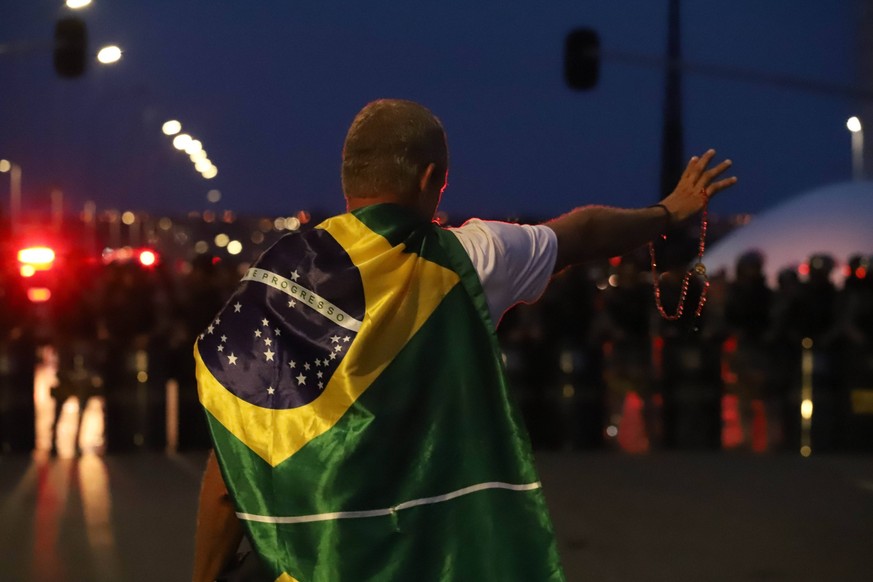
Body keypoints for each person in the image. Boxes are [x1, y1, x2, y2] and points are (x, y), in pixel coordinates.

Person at [192, 99, 736, 582]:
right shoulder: (467, 260)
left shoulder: (278, 279)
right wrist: (669, 212)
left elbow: (228, 468)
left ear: (348, 180)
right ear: (431, 178)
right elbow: (583, 232)